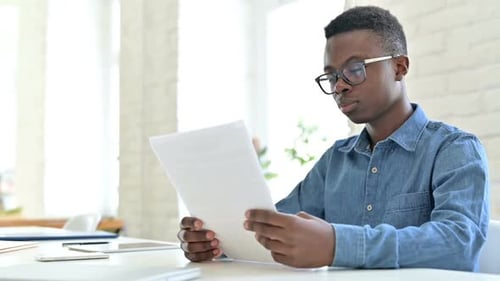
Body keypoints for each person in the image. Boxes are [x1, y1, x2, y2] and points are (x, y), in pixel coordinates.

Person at [177, 6, 489, 271]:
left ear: (399, 67)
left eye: (355, 69)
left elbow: (458, 244)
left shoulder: (453, 149)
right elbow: (274, 228)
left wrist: (338, 244)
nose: (339, 86)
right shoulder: (336, 160)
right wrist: (217, 241)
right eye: (331, 75)